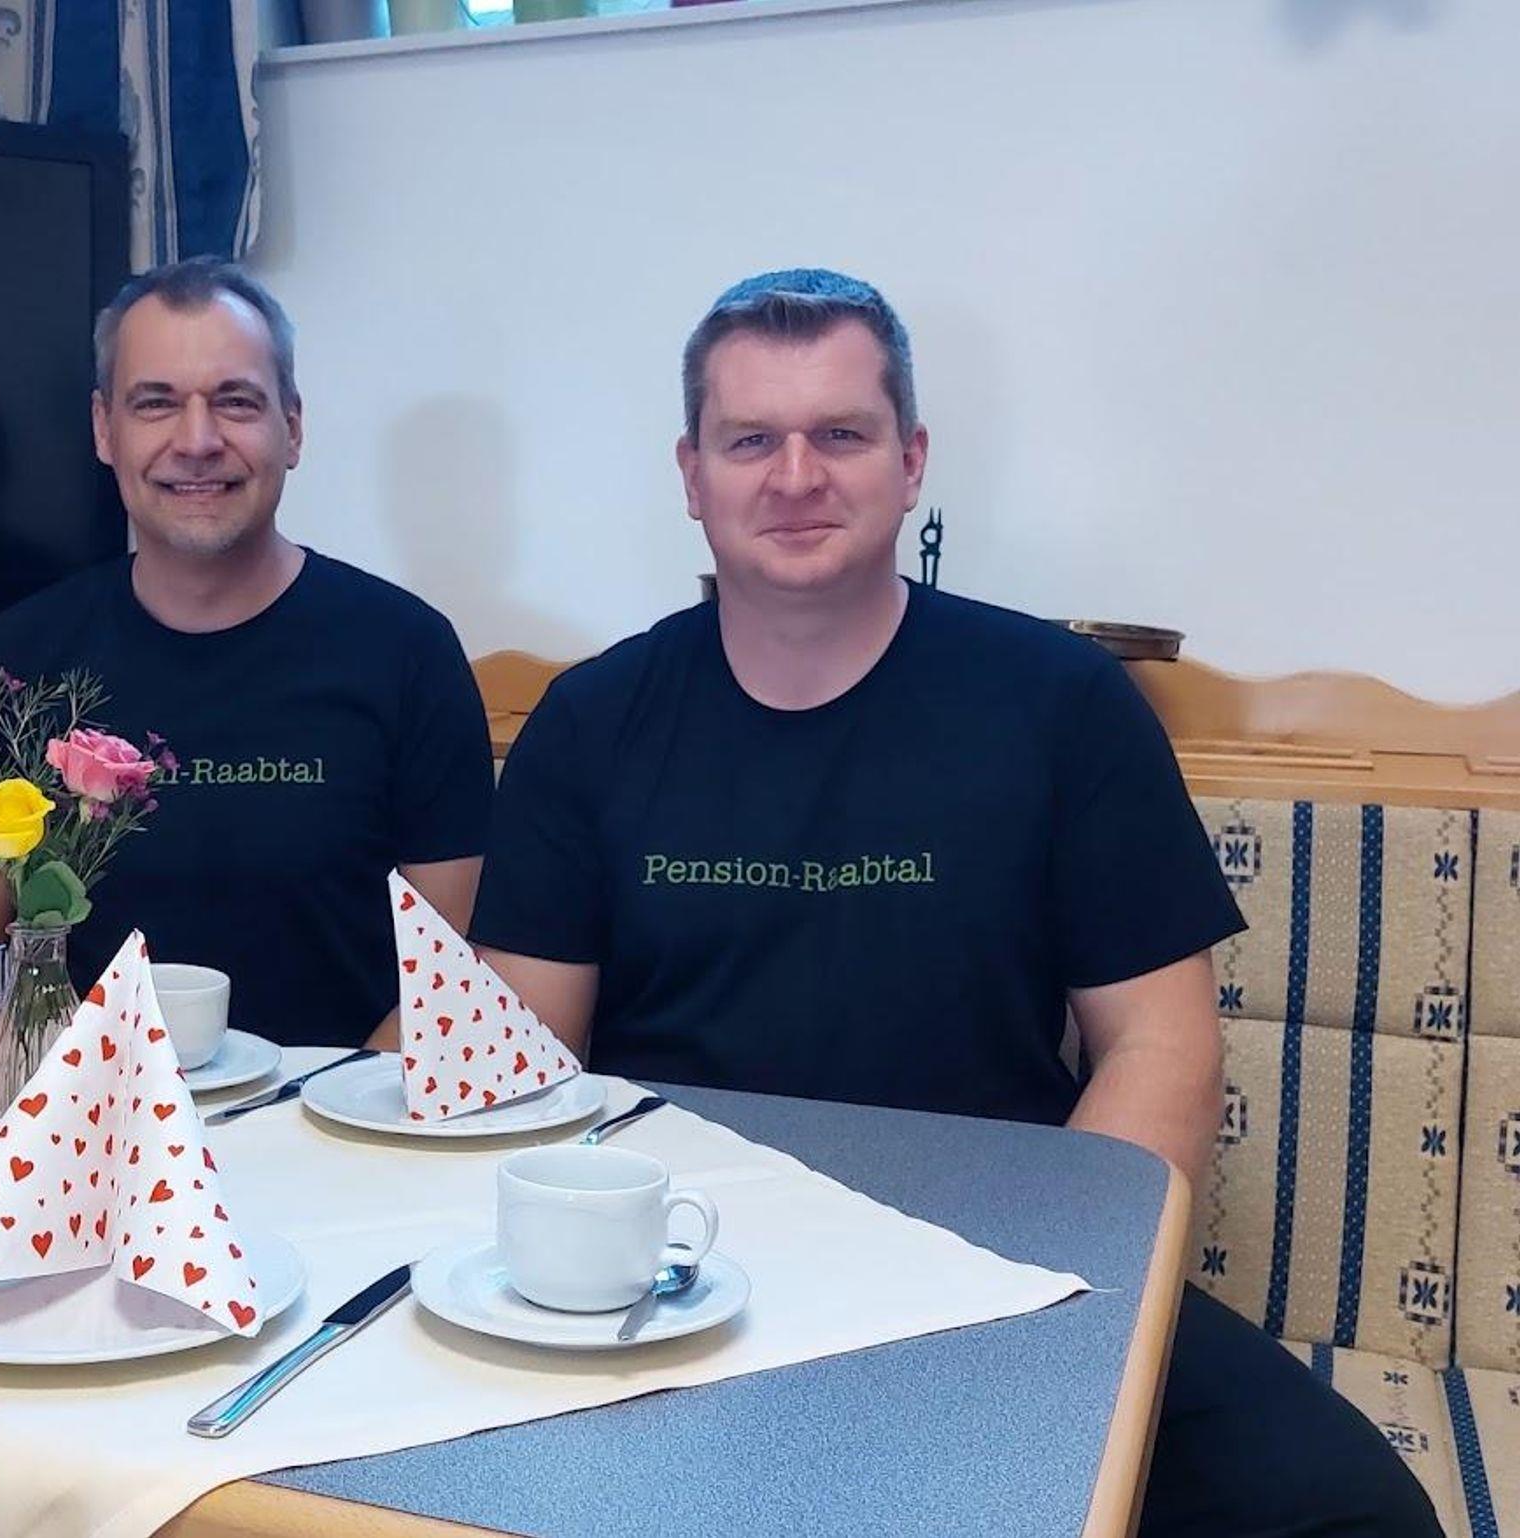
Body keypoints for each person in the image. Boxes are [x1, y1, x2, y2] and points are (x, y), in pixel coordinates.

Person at [467, 268, 1441, 1537]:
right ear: (691, 473)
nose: (795, 475)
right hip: (678, 1268)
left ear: (910, 461)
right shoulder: (590, 720)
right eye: (750, 440)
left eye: (840, 433)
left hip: (1006, 1261)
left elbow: (1160, 1047)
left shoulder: (1061, 704)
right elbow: (521, 1063)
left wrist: (1054, 1299)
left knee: (1352, 1512)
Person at [0, 258, 492, 1048]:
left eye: (235, 401)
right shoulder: (20, 662)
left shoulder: (409, 653)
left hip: (340, 1111)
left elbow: (452, 977)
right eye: (156, 403)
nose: (197, 441)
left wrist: (321, 1110)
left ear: (293, 427)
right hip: (86, 1112)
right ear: (104, 430)